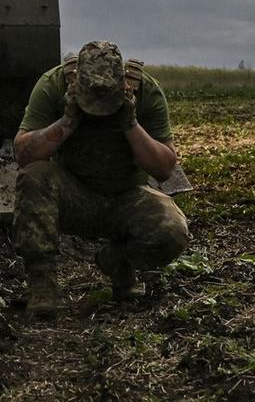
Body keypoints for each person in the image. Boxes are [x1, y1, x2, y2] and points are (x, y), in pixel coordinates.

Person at [11, 39, 189, 316]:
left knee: (172, 230)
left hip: (126, 196)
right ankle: (42, 286)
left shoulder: (146, 91)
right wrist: (67, 121)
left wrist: (130, 123)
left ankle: (117, 262)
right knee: (34, 176)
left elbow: (164, 168)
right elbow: (23, 154)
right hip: (74, 196)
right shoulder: (53, 84)